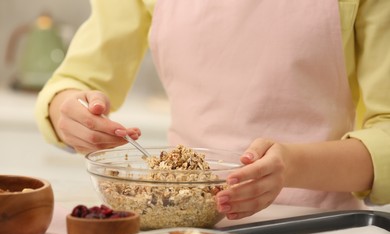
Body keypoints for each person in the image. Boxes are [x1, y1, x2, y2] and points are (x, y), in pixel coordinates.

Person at [35, 0, 390, 220]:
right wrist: (67, 109)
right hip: (181, 227)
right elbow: (74, 82)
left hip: (316, 228)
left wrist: (293, 166)